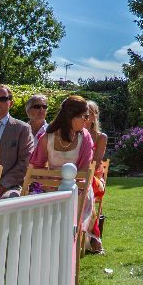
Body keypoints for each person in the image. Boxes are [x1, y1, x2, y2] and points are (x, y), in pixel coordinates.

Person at [29, 95, 96, 233]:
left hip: (78, 188)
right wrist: (48, 185)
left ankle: (72, 236)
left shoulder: (85, 138)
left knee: (78, 199)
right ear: (72, 117)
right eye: (85, 116)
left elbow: (83, 171)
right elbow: (36, 167)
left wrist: (67, 190)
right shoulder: (48, 137)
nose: (87, 120)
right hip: (50, 187)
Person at [0, 84, 36, 199]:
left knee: (8, 199)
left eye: (3, 99)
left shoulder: (22, 129)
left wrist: (0, 186)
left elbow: (24, 163)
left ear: (11, 103)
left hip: (9, 187)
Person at [85, 100, 109, 253]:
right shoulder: (74, 135)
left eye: (88, 115)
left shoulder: (101, 137)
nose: (85, 118)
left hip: (95, 176)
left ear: (94, 117)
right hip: (80, 175)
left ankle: (93, 236)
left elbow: (97, 161)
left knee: (88, 187)